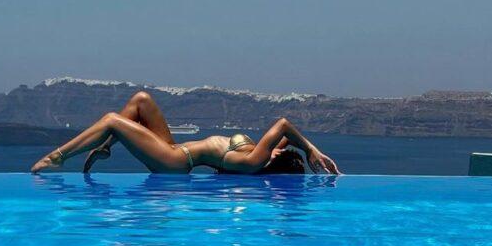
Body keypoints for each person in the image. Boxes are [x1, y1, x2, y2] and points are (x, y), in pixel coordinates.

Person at [30, 89, 340, 175]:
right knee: (141, 100)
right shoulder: (259, 153)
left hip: (174, 163)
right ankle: (109, 145)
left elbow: (284, 124)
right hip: (176, 150)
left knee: (112, 118)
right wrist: (307, 152)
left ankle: (57, 157)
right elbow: (287, 136)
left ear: (277, 159)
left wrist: (312, 150)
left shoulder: (255, 160)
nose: (283, 146)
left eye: (284, 152)